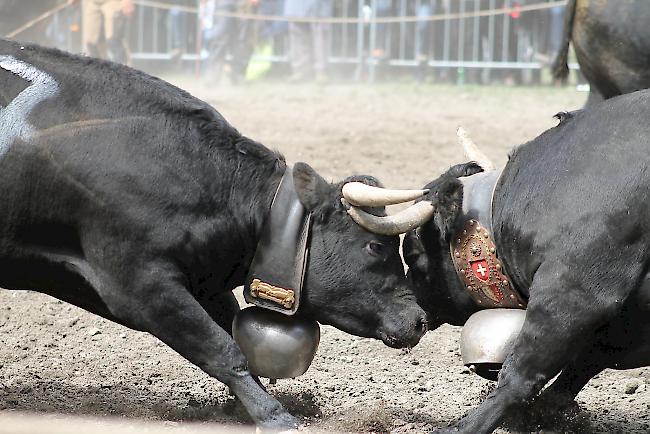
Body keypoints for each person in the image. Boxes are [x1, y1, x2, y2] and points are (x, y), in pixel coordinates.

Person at [200, 0, 259, 84]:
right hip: (224, 3)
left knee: (243, 39)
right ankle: (213, 75)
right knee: (220, 37)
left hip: (244, 3)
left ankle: (238, 75)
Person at [284, 0, 333, 82]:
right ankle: (300, 71)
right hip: (296, 5)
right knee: (297, 37)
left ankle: (320, 71)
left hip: (318, 6)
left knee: (320, 36)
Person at [81, 0, 134, 64]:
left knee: (114, 40)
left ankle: (126, 71)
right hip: (90, 3)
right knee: (90, 42)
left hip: (114, 2)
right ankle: (98, 70)